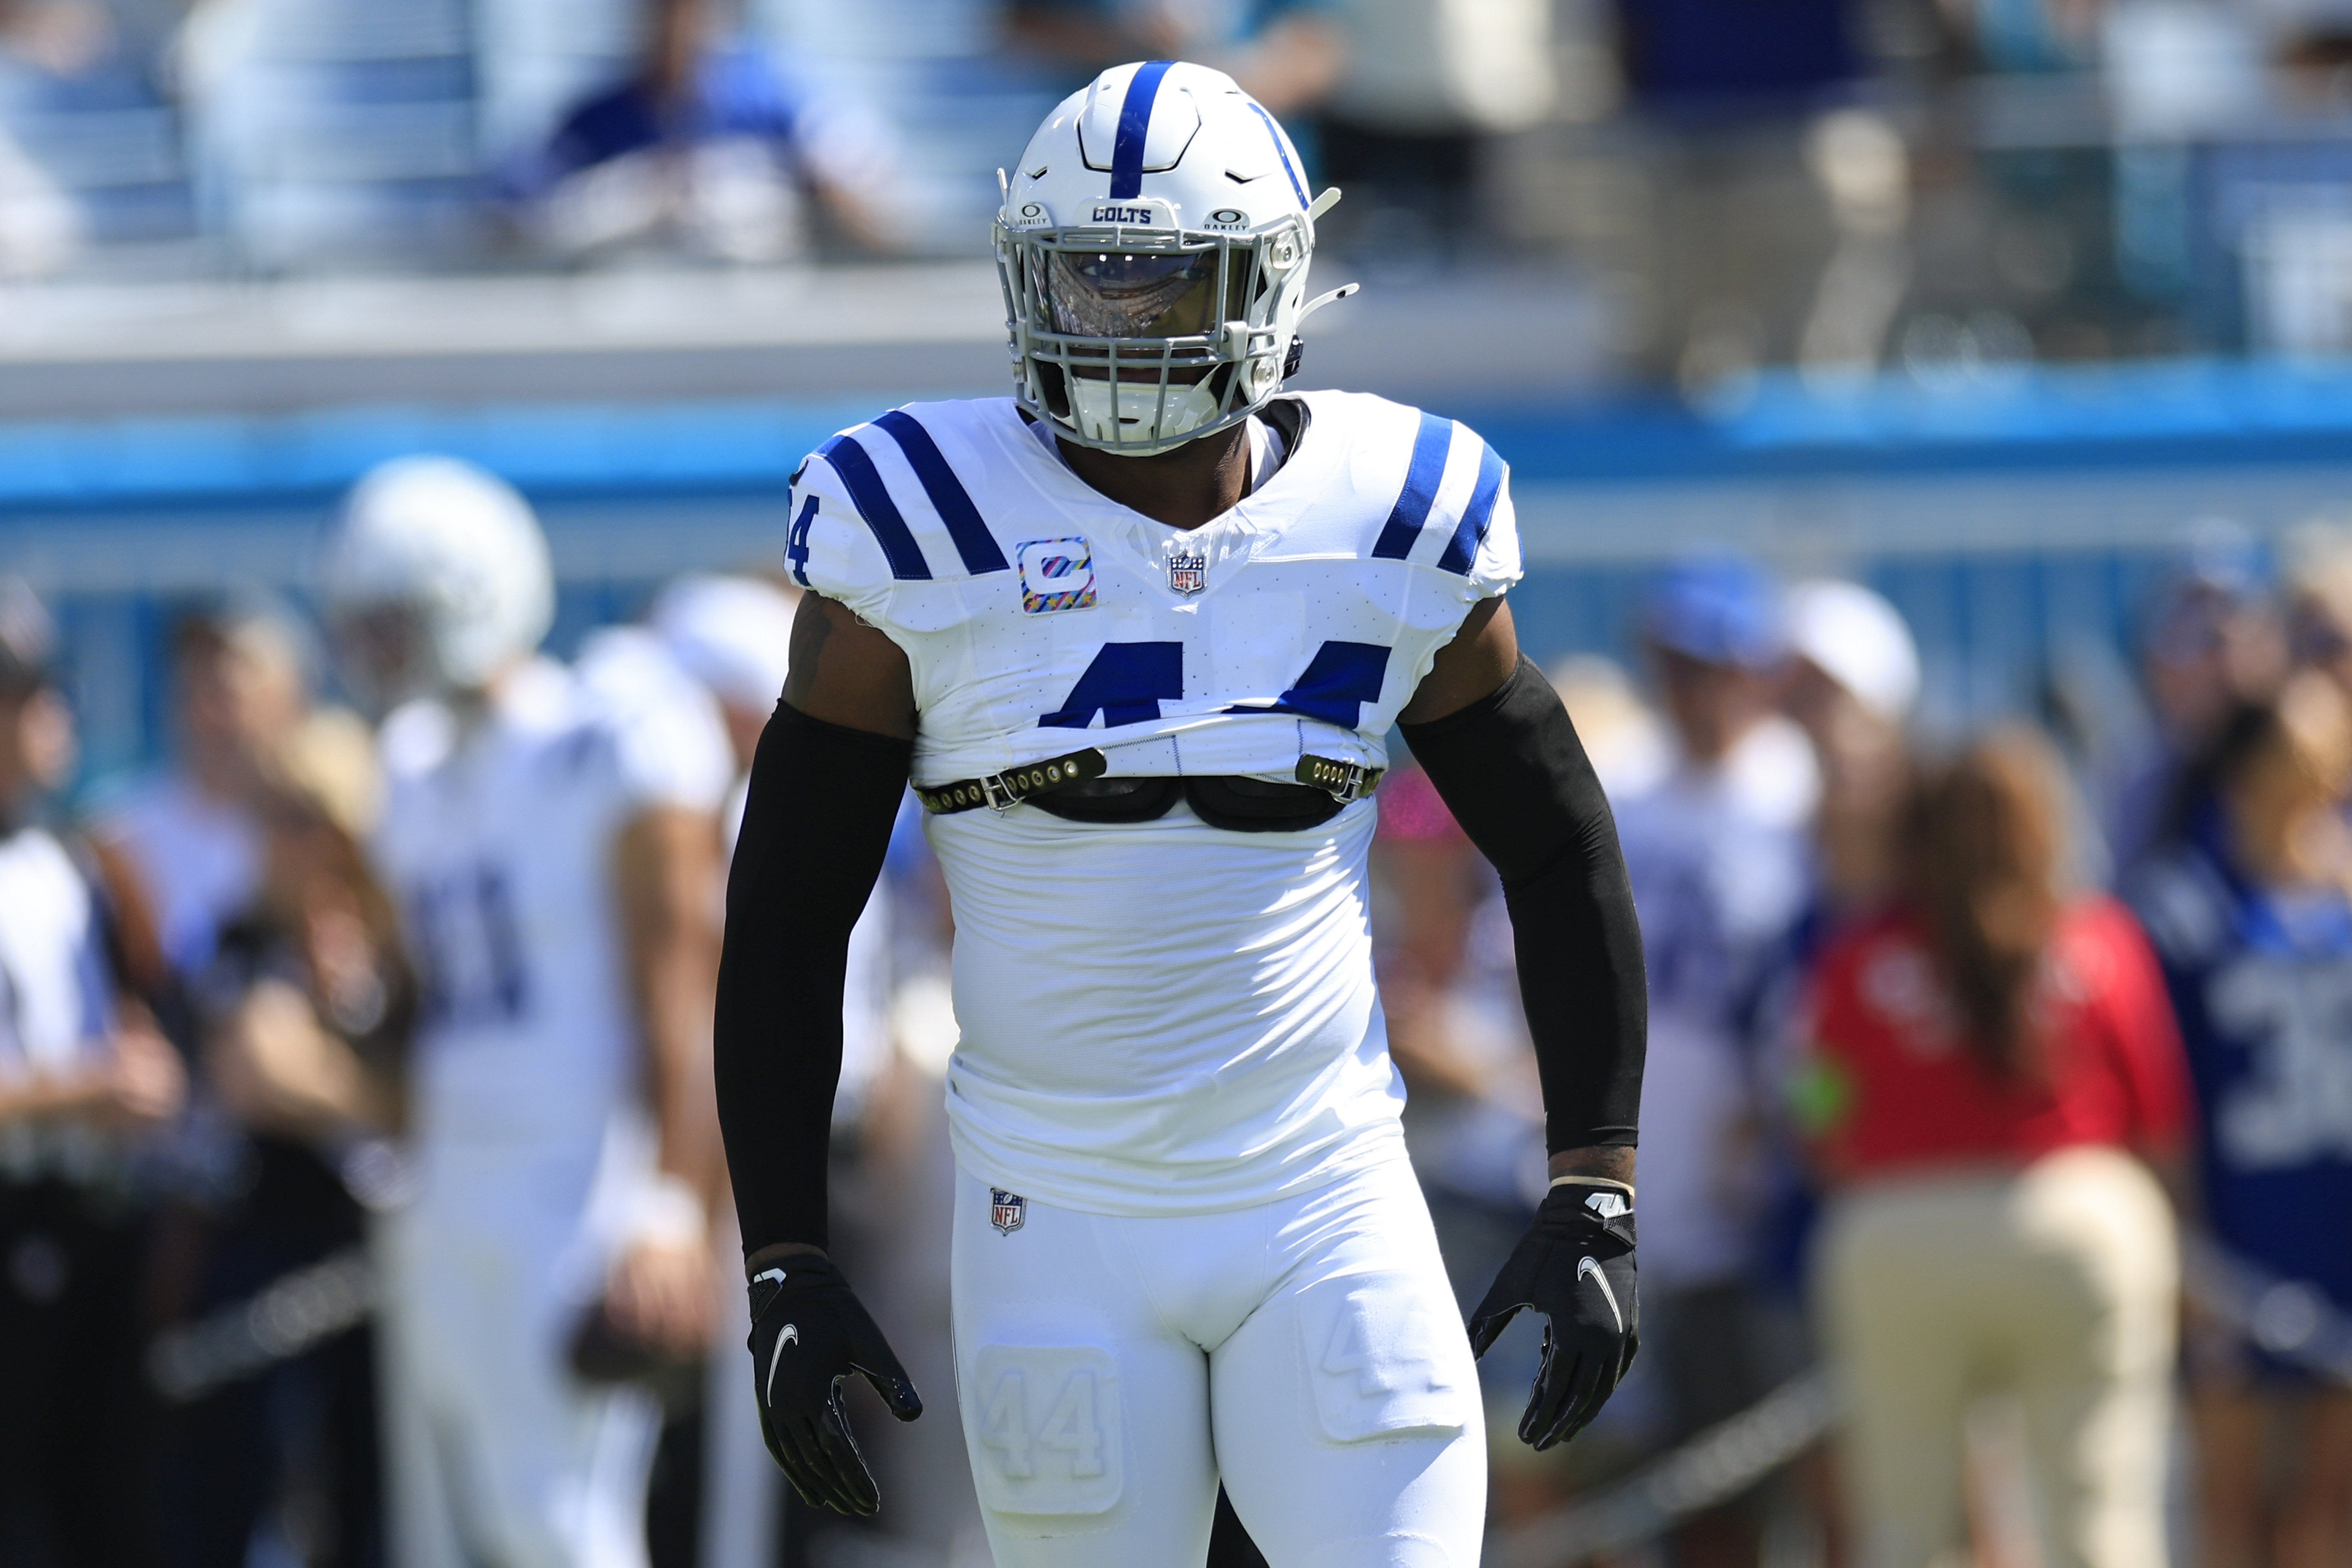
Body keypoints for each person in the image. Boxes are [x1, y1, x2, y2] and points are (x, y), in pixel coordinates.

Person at [713, 60, 1648, 1568]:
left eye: (1165, 280)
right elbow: (789, 907)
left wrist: (1594, 1180)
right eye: (1090, 277)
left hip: (1324, 1184)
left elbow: (1556, 839)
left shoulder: (1392, 510)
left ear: (1270, 284)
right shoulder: (917, 524)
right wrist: (781, 1255)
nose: (1124, 322)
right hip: (1053, 1209)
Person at [322, 457, 732, 1568]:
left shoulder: (605, 735)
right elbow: (416, 1005)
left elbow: (686, 994)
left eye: (395, 621)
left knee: (565, 1520)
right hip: (456, 1174)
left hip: (574, 1173)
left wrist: (672, 1206)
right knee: (467, 1524)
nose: (375, 649)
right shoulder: (409, 768)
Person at [1797, 731, 2191, 1568]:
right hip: (2079, 1225)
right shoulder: (2101, 940)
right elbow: (2160, 1113)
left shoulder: (1855, 957)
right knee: (2101, 1513)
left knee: (1906, 1525)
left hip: (1898, 1234)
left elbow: (1816, 1105)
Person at [1609, 554, 1816, 1565]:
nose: (1688, 688)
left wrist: (1787, 1111)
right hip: (1656, 1190)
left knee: (1804, 1475)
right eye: (1671, 663)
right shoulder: (1629, 796)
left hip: (1774, 1193)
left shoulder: (1802, 799)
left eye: (1707, 664)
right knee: (1685, 1489)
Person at [2124, 674, 2352, 1568]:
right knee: (2234, 1502)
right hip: (2239, 1233)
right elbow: (2160, 1099)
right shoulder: (2183, 904)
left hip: (2337, 1222)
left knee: (2329, 1508)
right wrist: (2187, 1251)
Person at [0, 578, 188, 1566]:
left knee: (110, 1510)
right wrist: (82, 1085)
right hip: (15, 1215)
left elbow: (140, 1014)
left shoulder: (77, 860)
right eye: (18, 694)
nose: (43, 716)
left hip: (94, 1220)